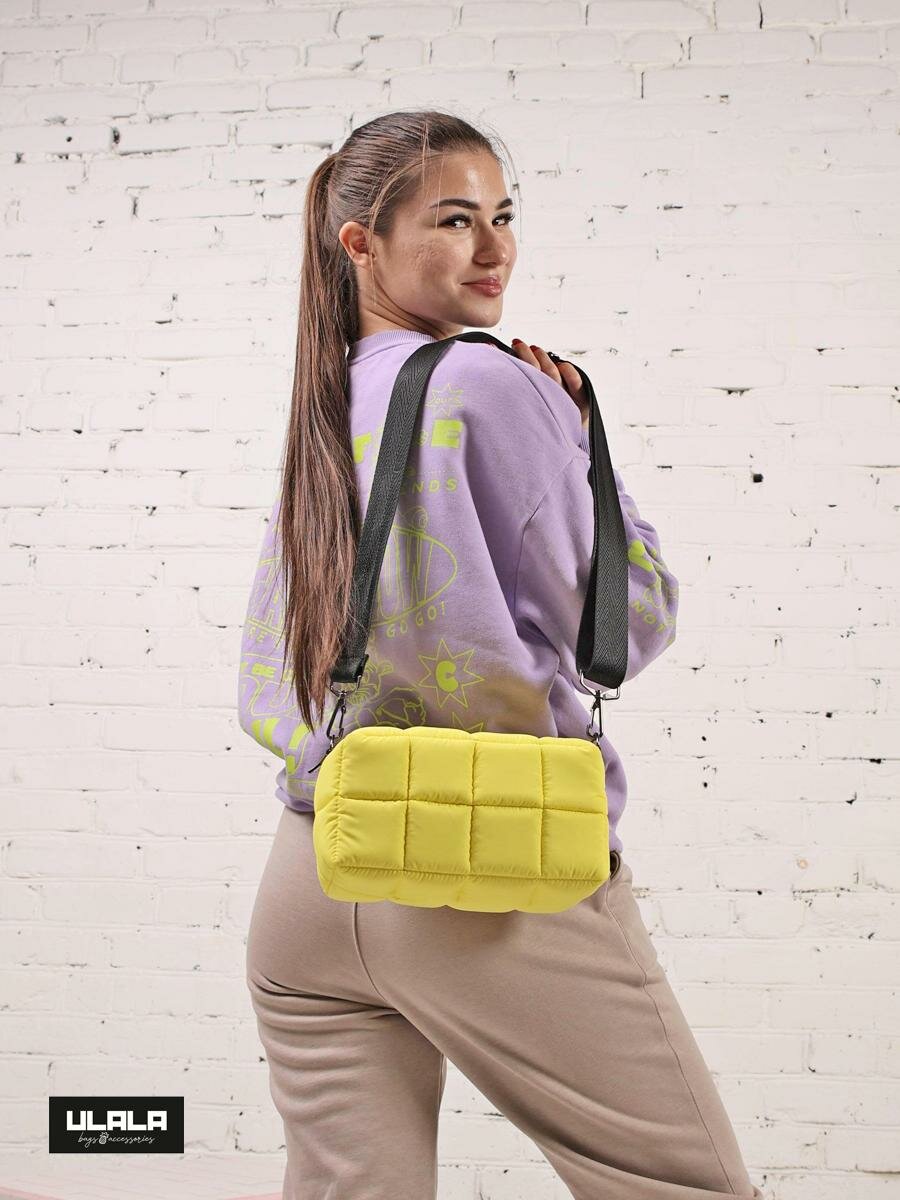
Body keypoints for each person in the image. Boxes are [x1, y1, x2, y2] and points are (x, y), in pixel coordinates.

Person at [239, 109, 765, 1200]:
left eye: (504, 216)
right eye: (454, 219)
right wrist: (582, 442)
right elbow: (626, 627)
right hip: (481, 881)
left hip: (311, 875)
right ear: (361, 243)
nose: (494, 249)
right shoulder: (493, 384)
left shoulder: (331, 385)